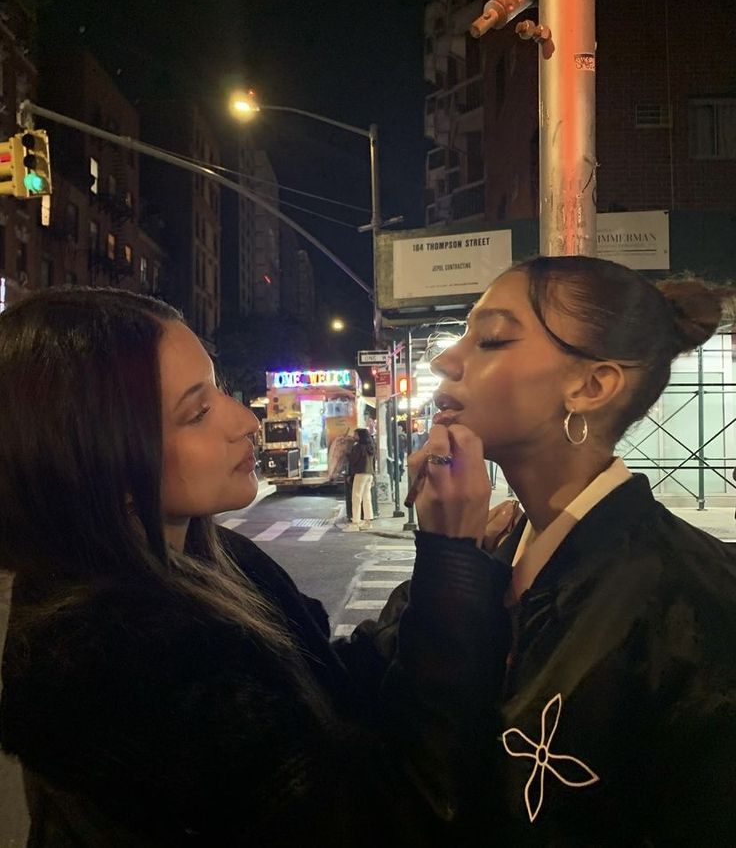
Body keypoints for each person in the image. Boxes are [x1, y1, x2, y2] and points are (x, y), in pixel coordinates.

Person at [0, 287, 514, 847]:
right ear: (98, 459)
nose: (245, 420)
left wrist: (449, 568)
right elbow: (397, 817)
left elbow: (326, 687)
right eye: (196, 412)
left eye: (219, 388)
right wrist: (451, 566)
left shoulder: (206, 555)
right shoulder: (112, 660)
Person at [409, 255, 736, 845]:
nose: (445, 360)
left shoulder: (690, 602)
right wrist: (448, 560)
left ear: (590, 386)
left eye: (490, 339)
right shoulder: (498, 549)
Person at [345, 428, 375, 532]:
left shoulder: (358, 447)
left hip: (360, 473)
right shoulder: (370, 447)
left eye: (355, 434)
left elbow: (353, 460)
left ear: (360, 436)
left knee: (356, 498)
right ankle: (368, 521)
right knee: (367, 498)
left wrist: (348, 453)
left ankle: (355, 523)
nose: (354, 436)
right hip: (369, 473)